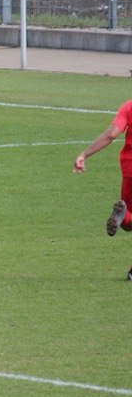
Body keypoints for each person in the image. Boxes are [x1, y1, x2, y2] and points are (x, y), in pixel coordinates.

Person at [74, 98, 132, 278]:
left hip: (129, 169)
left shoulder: (129, 106)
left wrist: (84, 154)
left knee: (129, 223)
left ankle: (124, 215)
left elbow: (111, 134)